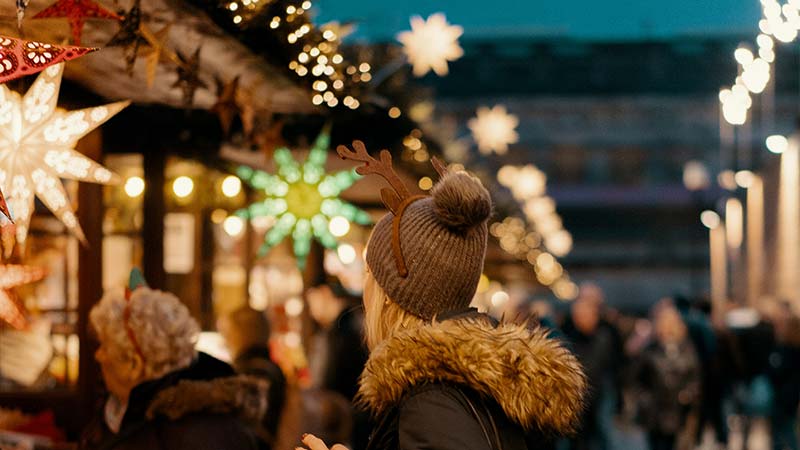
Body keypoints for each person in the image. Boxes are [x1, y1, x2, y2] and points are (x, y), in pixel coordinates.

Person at [298, 146, 587, 450]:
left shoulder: (431, 401)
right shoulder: (468, 386)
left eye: (370, 273)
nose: (364, 287)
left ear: (389, 295)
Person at [80, 270, 266, 450]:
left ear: (134, 364)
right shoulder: (128, 414)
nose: (99, 355)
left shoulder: (185, 436)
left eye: (104, 346)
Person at [561, 284, 623, 450]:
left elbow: (614, 362)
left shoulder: (607, 332)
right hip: (577, 393)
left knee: (602, 434)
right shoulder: (568, 330)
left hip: (600, 391)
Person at [633, 302, 700, 450]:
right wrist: (645, 400)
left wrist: (688, 394)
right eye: (663, 323)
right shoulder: (650, 350)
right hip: (655, 412)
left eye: (670, 323)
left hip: (679, 410)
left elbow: (695, 376)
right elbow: (638, 379)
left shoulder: (686, 348)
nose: (666, 327)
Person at [218, 305, 287, 447]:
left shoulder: (253, 372)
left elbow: (248, 431)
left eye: (227, 333)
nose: (224, 341)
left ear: (240, 333)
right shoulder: (268, 367)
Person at [766, 302, 800, 450]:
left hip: (782, 395)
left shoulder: (785, 349)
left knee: (782, 430)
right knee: (787, 428)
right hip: (793, 395)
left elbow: (776, 371)